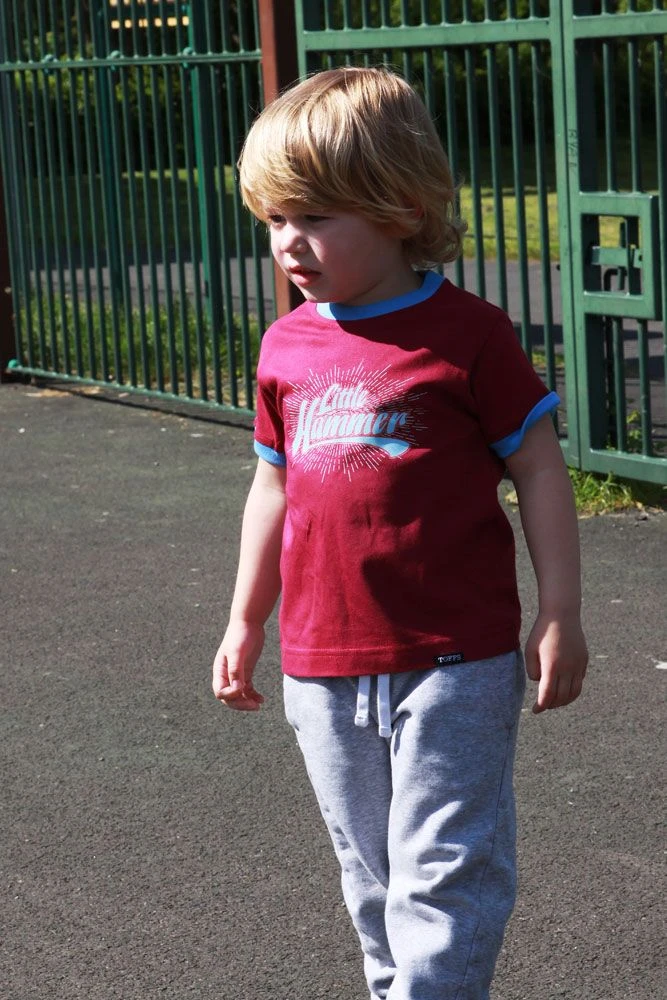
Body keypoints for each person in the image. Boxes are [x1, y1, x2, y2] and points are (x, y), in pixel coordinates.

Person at [212, 66, 588, 1000]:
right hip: (321, 662)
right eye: (274, 218)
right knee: (371, 877)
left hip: (453, 662)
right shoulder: (286, 344)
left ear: (401, 208)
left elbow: (539, 469)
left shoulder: (468, 334)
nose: (288, 242)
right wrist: (246, 620)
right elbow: (272, 486)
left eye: (315, 215)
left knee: (445, 870)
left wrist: (559, 612)